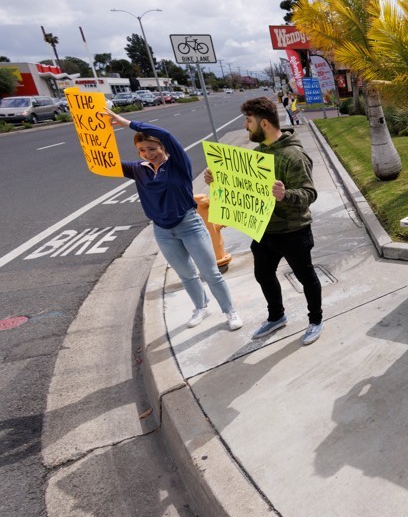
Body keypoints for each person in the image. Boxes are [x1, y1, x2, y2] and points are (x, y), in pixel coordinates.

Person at [105, 111, 243, 331]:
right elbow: (103, 161)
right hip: (162, 231)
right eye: (142, 150)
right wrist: (92, 131)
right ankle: (201, 307)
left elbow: (166, 134)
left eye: (153, 149)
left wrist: (128, 123)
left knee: (210, 273)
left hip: (190, 225)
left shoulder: (178, 164)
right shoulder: (138, 170)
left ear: (163, 148)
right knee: (187, 275)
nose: (148, 154)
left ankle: (230, 311)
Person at [205, 97, 323, 345]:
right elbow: (243, 189)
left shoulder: (294, 155)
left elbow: (309, 194)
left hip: (294, 232)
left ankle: (315, 320)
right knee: (263, 274)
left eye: (249, 121)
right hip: (264, 230)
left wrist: (285, 194)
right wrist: (216, 179)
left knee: (306, 277)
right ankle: (277, 316)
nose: (246, 126)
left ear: (265, 124)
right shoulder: (257, 155)